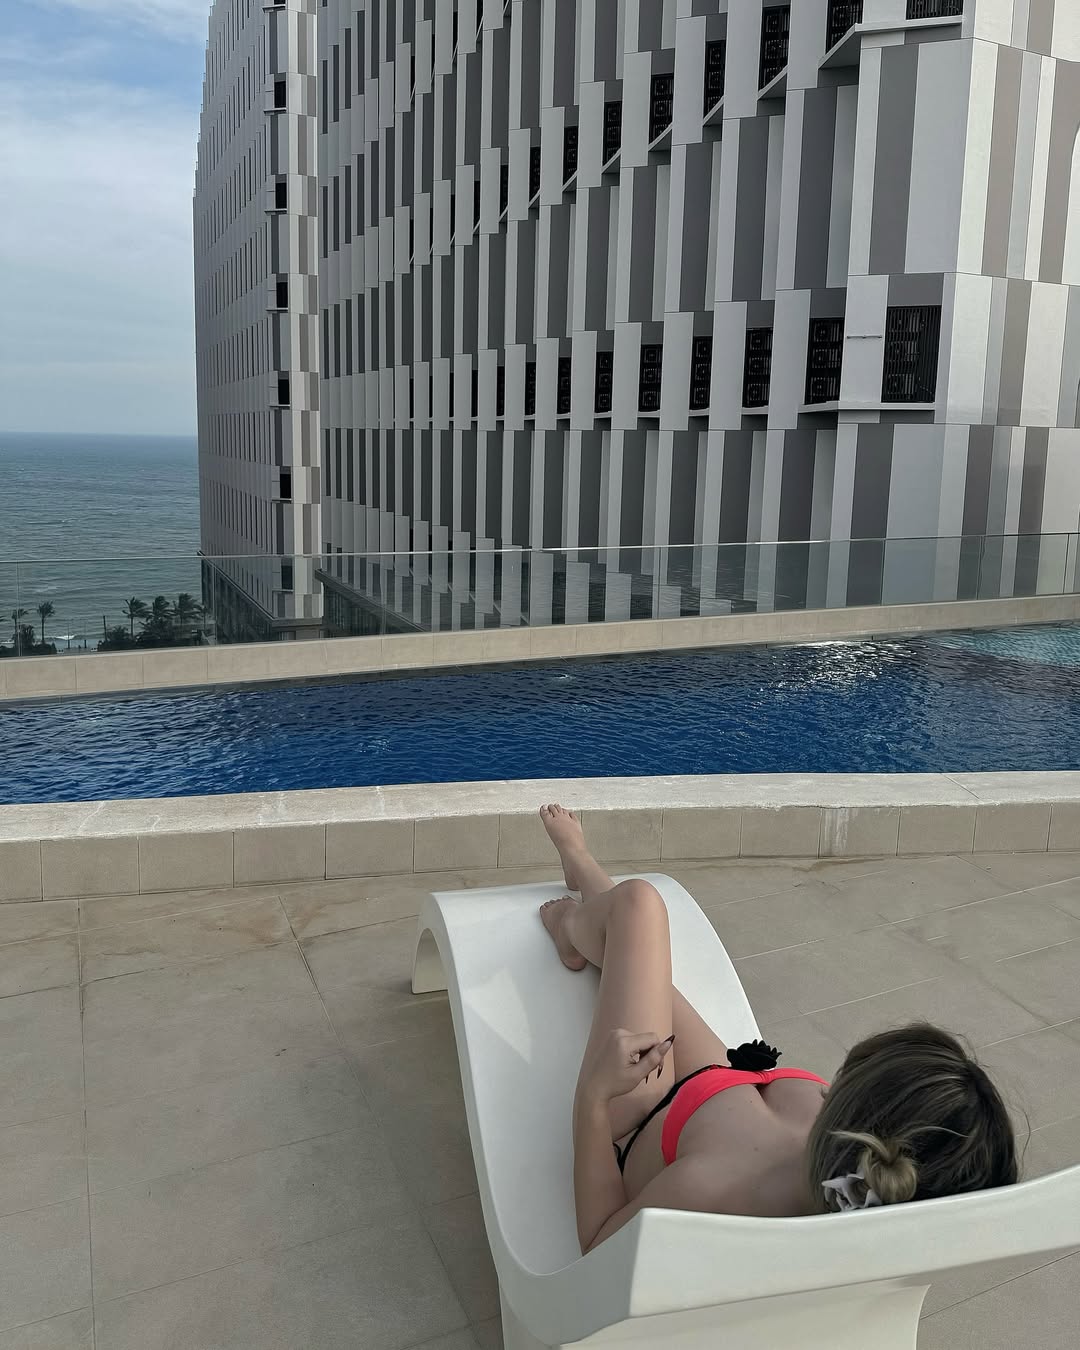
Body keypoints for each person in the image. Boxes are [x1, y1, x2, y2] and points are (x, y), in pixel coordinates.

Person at [536, 804, 1019, 1254]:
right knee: (637, 939)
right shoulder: (849, 1179)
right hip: (719, 1086)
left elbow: (599, 1247)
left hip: (646, 1109)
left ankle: (573, 916)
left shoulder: (711, 1188)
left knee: (638, 907)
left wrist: (593, 1099)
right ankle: (583, 873)